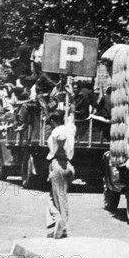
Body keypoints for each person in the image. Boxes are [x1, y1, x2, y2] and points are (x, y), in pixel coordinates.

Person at [46, 95, 76, 239]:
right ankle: (61, 227)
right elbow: (71, 115)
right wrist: (71, 99)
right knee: (61, 197)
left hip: (59, 164)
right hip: (69, 167)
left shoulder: (58, 131)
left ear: (53, 121)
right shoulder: (70, 127)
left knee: (54, 199)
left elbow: (61, 138)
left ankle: (59, 221)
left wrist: (61, 151)